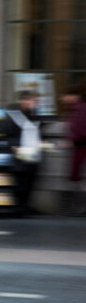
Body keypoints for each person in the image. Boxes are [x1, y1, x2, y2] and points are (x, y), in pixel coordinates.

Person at [4, 90, 41, 216]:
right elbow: (8, 133)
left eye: (34, 101)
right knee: (21, 181)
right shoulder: (14, 115)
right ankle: (18, 207)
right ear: (22, 101)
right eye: (30, 100)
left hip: (32, 152)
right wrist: (14, 147)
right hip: (20, 152)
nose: (33, 103)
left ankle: (25, 205)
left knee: (30, 180)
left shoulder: (32, 114)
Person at [60, 85, 86, 216]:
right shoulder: (74, 109)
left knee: (77, 177)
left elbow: (82, 130)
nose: (62, 98)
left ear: (74, 96)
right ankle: (78, 207)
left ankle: (80, 207)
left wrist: (71, 140)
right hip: (78, 148)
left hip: (81, 148)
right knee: (76, 177)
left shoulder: (80, 109)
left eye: (65, 95)